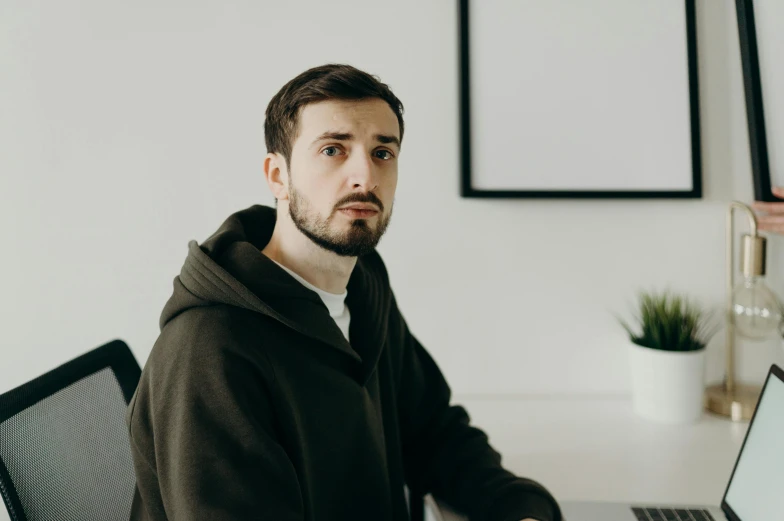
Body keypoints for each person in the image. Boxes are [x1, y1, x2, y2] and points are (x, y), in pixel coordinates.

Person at [126, 63, 560, 521]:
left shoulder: (363, 286)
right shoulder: (210, 348)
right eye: (333, 149)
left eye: (382, 153)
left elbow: (434, 432)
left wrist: (518, 509)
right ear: (278, 176)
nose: (365, 177)